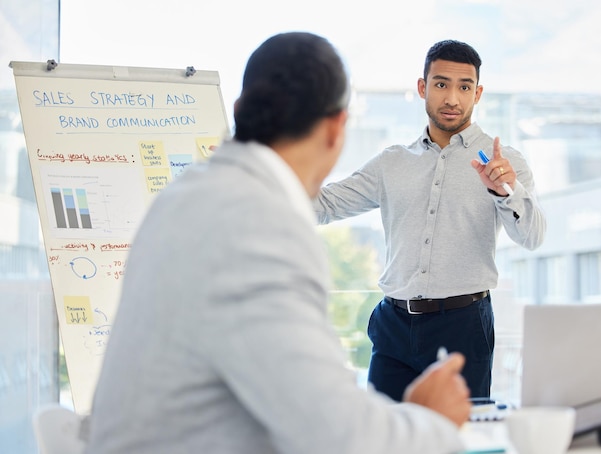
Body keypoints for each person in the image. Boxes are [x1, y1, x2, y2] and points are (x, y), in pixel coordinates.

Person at [85, 32, 471, 454]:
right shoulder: (258, 222)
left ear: (239, 112)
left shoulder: (186, 196)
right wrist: (430, 421)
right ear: (335, 129)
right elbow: (336, 436)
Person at [313, 39, 546, 402]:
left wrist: (505, 191)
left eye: (464, 86)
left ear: (477, 93)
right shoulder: (392, 162)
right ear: (423, 88)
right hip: (393, 323)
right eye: (441, 84)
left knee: (460, 439)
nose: (452, 98)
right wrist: (262, 172)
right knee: (384, 438)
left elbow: (533, 236)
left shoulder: (505, 163)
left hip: (462, 324)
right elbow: (323, 205)